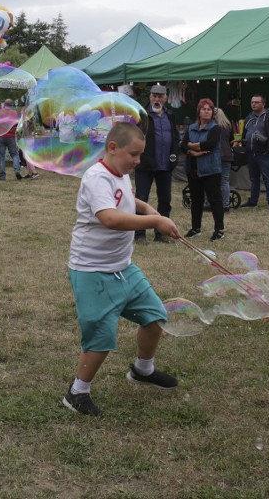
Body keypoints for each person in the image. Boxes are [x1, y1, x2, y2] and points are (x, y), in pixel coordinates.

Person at [62, 122, 182, 416]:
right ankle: (77, 393)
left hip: (123, 268)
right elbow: (110, 218)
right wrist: (155, 223)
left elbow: (126, 197)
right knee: (100, 337)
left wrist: (147, 209)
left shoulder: (119, 173)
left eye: (140, 155)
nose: (138, 161)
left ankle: (143, 370)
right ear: (113, 148)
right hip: (93, 272)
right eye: (134, 154)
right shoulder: (96, 178)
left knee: (155, 317)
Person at [134, 84, 179, 243]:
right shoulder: (141, 115)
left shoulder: (170, 115)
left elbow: (175, 138)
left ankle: (162, 234)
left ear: (166, 98)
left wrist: (174, 155)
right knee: (141, 199)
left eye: (160, 96)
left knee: (165, 200)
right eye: (154, 96)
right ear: (150, 97)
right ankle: (139, 235)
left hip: (165, 165)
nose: (157, 99)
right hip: (145, 165)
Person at [181, 98, 225, 241]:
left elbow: (209, 145)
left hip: (211, 170)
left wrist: (191, 145)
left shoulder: (215, 128)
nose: (206, 111)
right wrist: (193, 152)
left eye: (209, 109)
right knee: (196, 200)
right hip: (193, 169)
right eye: (203, 109)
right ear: (199, 111)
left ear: (212, 112)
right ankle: (196, 228)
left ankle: (219, 230)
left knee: (215, 200)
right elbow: (182, 146)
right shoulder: (191, 127)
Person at [238, 95, 269, 210]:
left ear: (263, 104)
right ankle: (253, 201)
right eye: (252, 102)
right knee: (254, 179)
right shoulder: (249, 117)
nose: (253, 104)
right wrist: (244, 144)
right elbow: (244, 133)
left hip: (264, 154)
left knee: (268, 179)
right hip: (251, 153)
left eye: (257, 102)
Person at [0, 99, 22, 181]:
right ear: (11, 105)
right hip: (11, 136)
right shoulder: (14, 113)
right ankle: (17, 170)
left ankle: (2, 176)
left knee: (1, 157)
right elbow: (16, 124)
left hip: (0, 136)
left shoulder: (0, 113)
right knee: (14, 154)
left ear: (4, 104)